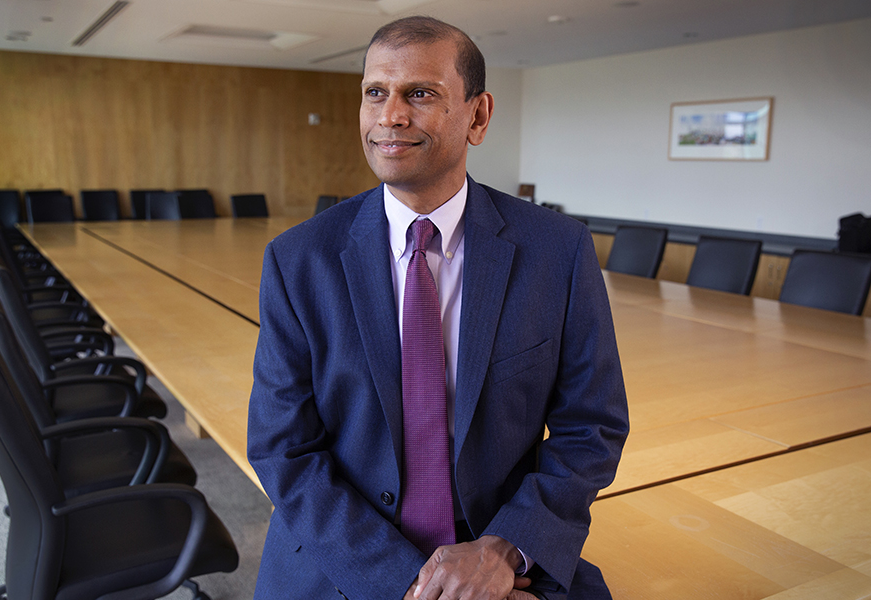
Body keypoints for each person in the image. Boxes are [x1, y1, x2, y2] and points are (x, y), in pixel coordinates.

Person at [247, 15, 629, 600]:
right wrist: (407, 584)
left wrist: (504, 548)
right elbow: (284, 450)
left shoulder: (559, 251)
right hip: (346, 562)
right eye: (375, 93)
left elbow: (592, 426)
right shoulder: (298, 260)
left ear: (478, 116)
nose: (390, 116)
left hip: (501, 558)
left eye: (419, 94)